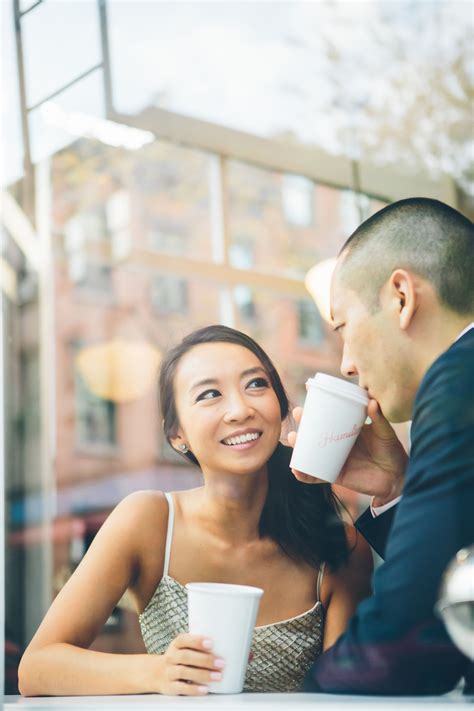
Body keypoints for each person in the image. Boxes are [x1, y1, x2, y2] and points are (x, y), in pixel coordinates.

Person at [19, 325, 372, 697]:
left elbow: (344, 699)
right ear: (176, 435)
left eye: (255, 385)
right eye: (209, 394)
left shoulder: (337, 545)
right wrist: (158, 672)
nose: (240, 410)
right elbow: (37, 668)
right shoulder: (148, 521)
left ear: (281, 405)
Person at [289, 197, 474, 695]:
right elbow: (460, 596)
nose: (346, 363)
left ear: (400, 297)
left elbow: (403, 645)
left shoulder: (459, 380)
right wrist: (397, 484)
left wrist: (306, 698)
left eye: (344, 327)